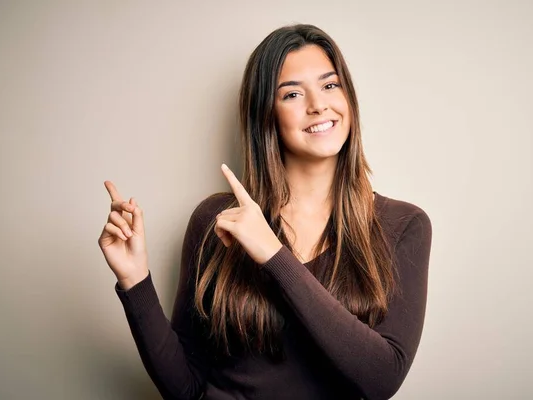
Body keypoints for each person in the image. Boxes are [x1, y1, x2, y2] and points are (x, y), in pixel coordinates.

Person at [98, 24, 432, 400]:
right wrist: (135, 280)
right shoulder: (217, 221)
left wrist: (274, 256)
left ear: (348, 98)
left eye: (329, 85)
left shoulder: (404, 225)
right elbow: (188, 387)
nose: (318, 104)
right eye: (292, 93)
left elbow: (382, 379)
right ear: (266, 115)